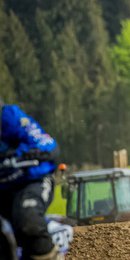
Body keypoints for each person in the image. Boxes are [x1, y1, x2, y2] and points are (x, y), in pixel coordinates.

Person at [0, 97, 60, 259]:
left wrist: (35, 152)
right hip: (3, 189)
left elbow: (44, 140)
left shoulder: (10, 116)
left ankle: (48, 254)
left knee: (29, 219)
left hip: (31, 180)